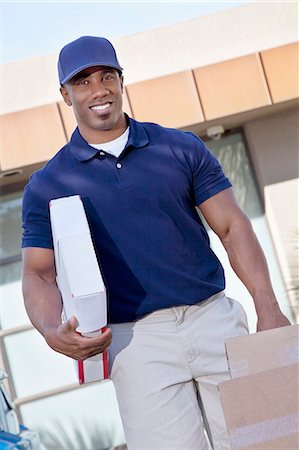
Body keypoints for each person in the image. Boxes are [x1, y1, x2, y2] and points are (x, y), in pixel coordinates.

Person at [22, 36, 290, 450]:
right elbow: (39, 273)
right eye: (83, 82)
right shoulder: (48, 184)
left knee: (263, 442)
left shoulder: (179, 148)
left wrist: (268, 308)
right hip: (135, 343)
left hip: (214, 322)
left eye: (106, 76)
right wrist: (49, 330)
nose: (98, 90)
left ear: (121, 80)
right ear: (65, 94)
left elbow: (233, 227)